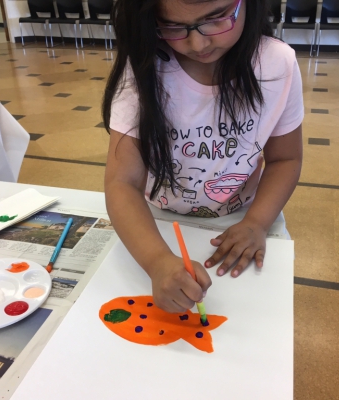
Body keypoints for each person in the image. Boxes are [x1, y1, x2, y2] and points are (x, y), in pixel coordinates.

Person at [103, 0, 303, 313]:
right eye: (173, 25)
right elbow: (122, 182)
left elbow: (285, 160)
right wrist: (157, 261)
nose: (198, 42)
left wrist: (257, 223)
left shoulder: (277, 64)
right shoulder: (144, 66)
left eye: (217, 17)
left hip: (246, 215)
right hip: (157, 218)